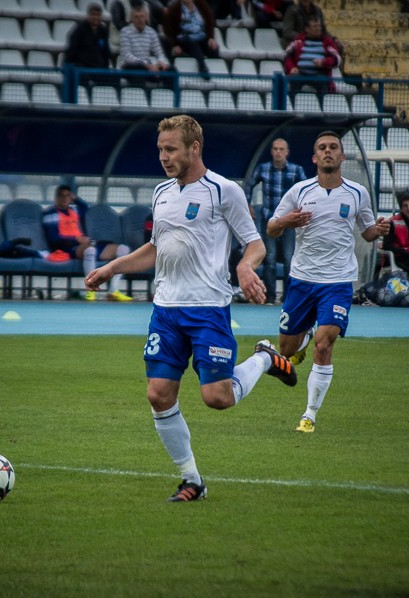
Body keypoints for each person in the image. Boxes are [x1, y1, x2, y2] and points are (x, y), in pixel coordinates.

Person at [84, 115, 298, 502]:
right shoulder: (162, 192)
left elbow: (256, 243)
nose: (164, 157)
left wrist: (245, 266)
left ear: (194, 148)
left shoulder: (224, 191)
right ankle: (192, 480)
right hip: (166, 310)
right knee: (158, 394)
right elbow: (156, 247)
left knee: (217, 398)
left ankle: (264, 359)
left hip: (208, 310)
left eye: (171, 149)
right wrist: (112, 267)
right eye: (161, 149)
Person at [265, 130, 390, 434]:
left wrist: (379, 229)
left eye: (334, 147)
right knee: (286, 351)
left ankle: (309, 414)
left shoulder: (357, 192)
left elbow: (367, 232)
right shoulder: (300, 191)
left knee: (326, 344)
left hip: (338, 282)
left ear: (342, 156)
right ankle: (303, 338)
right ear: (314, 158)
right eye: (322, 148)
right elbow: (271, 228)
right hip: (302, 280)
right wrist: (286, 222)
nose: (328, 152)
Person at [42, 184, 132, 301]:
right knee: (90, 250)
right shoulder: (50, 214)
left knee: (123, 249)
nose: (65, 199)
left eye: (67, 196)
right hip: (69, 248)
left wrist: (75, 198)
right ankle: (91, 290)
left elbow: (84, 206)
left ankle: (113, 291)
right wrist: (76, 240)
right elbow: (54, 239)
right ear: (56, 198)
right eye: (61, 196)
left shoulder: (73, 210)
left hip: (86, 244)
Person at [243, 138, 306, 304]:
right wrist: (247, 204)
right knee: (269, 258)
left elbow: (307, 189)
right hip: (268, 219)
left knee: (288, 259)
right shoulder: (263, 169)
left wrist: (301, 210)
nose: (278, 152)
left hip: (289, 222)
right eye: (275, 149)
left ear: (287, 152)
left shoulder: (296, 170)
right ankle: (270, 296)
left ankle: (288, 296)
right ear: (271, 151)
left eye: (281, 149)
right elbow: (249, 184)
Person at [283, 16, 342, 96]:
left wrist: (323, 62)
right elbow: (287, 55)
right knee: (294, 79)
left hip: (319, 74)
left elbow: (337, 59)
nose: (318, 28)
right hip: (300, 73)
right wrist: (292, 67)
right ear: (307, 29)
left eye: (319, 26)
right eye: (315, 26)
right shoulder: (298, 40)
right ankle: (293, 104)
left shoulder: (327, 41)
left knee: (322, 81)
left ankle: (322, 106)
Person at [119, 4, 173, 86]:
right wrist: (146, 65)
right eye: (136, 17)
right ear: (132, 19)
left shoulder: (151, 32)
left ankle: (167, 96)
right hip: (130, 67)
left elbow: (159, 52)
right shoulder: (125, 31)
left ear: (146, 17)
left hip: (147, 67)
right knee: (139, 71)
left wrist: (161, 62)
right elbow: (127, 55)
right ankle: (140, 97)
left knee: (171, 70)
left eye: (142, 16)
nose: (139, 19)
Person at [163, 0, 219, 78]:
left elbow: (210, 20)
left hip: (200, 36)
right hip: (184, 38)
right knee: (192, 43)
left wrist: (211, 37)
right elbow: (168, 29)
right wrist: (174, 45)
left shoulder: (201, 4)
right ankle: (202, 68)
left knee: (214, 49)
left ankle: (217, 74)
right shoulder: (175, 8)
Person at [65, 2, 112, 76]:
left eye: (98, 15)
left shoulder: (103, 30)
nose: (96, 17)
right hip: (82, 65)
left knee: (114, 79)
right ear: (89, 15)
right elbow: (72, 48)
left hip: (98, 66)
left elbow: (106, 51)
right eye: (94, 14)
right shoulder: (80, 28)